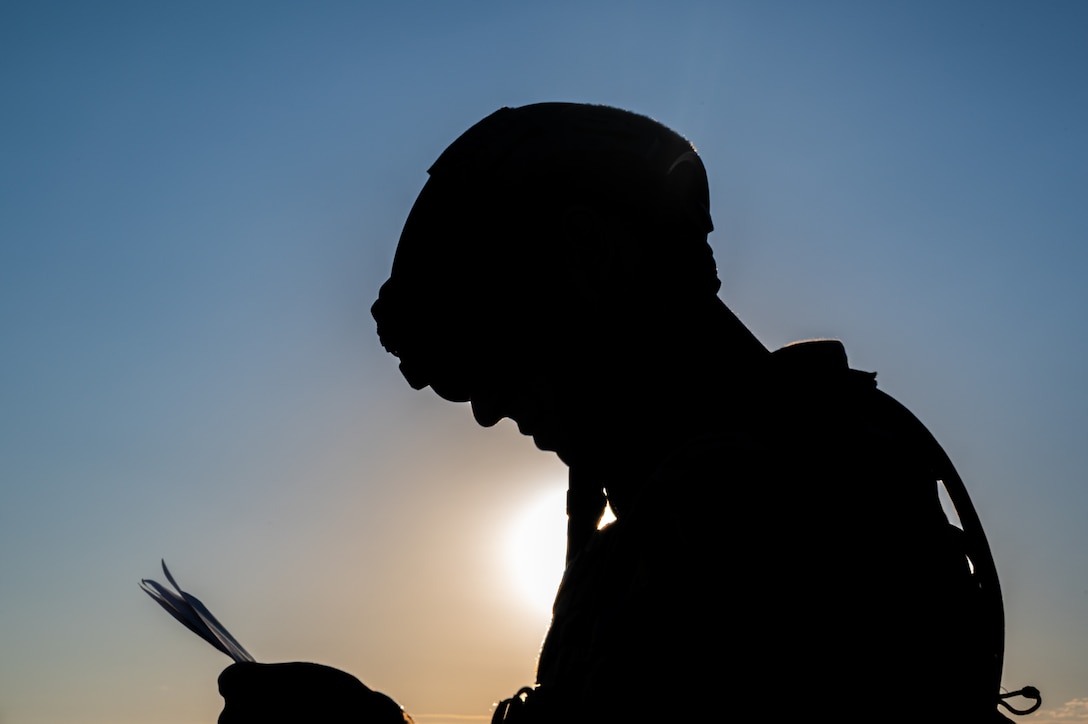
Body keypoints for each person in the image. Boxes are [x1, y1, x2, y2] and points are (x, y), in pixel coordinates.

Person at [218, 103, 1015, 723]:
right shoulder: (697, 510)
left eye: (494, 348)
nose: (490, 407)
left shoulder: (770, 512)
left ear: (593, 256)